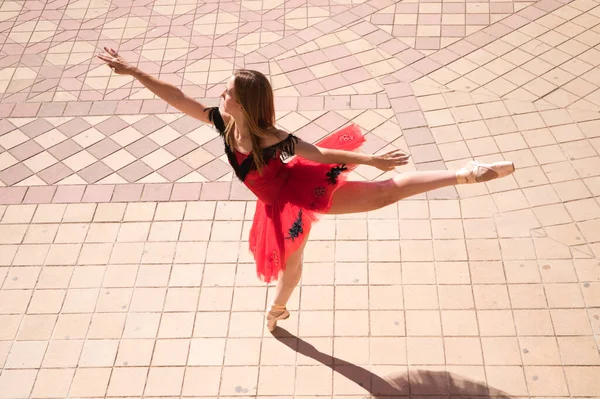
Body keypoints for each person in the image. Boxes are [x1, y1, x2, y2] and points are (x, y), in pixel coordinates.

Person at [98, 48, 515, 332]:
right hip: (275, 198)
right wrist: (134, 72)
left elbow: (318, 153)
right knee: (291, 268)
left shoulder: (273, 138)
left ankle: (466, 173)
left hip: (294, 195)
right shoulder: (222, 123)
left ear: (243, 102)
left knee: (381, 193)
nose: (219, 93)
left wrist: (370, 160)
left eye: (227, 91)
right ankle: (279, 308)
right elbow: (176, 97)